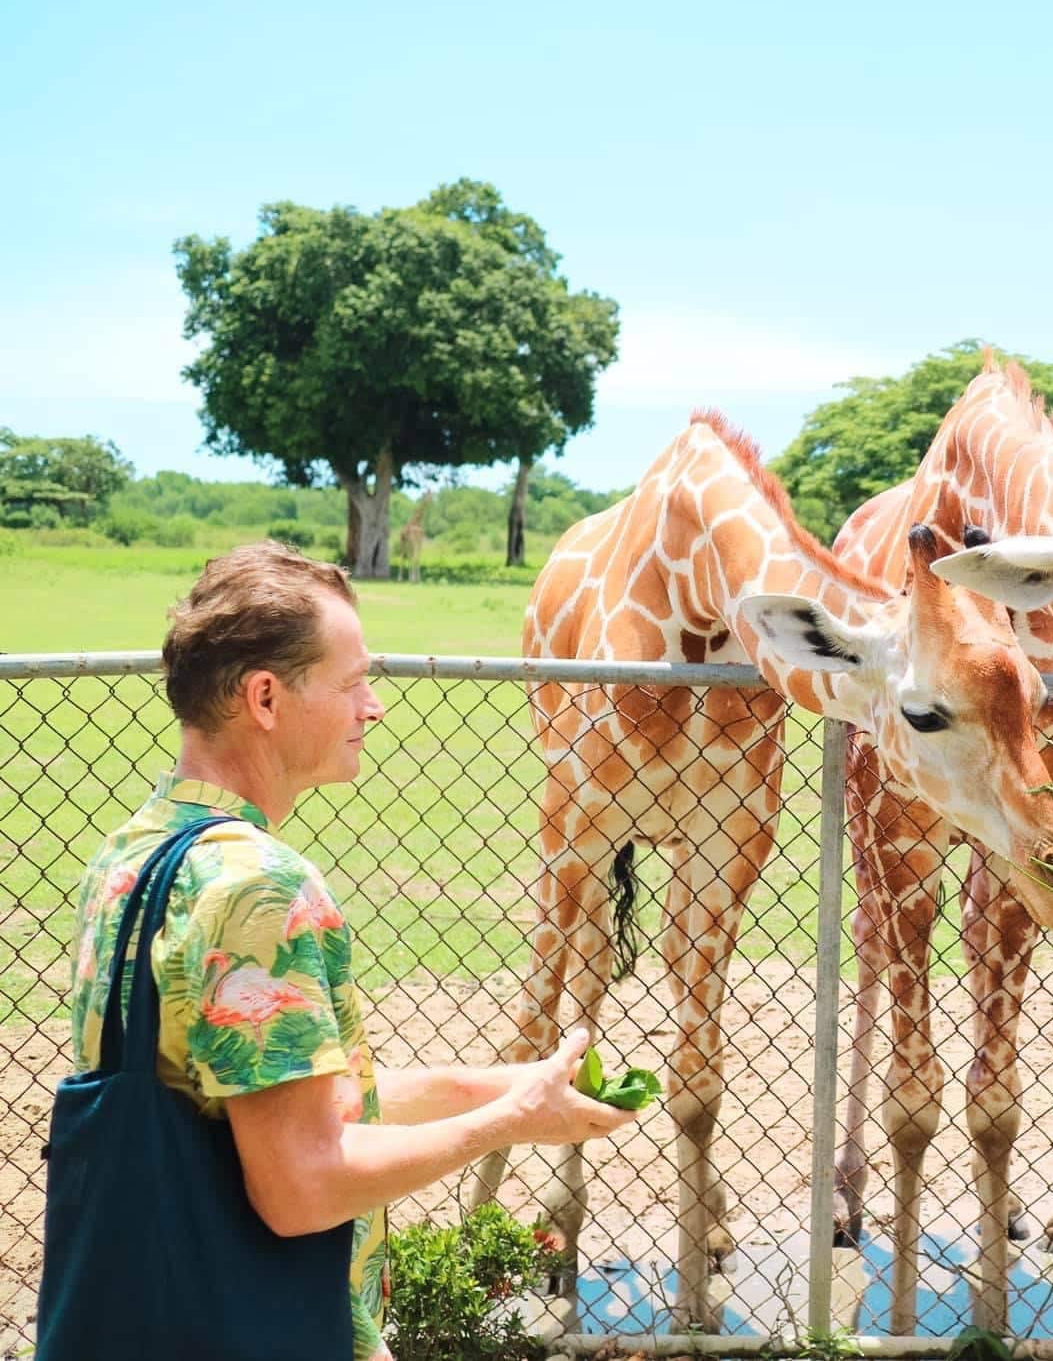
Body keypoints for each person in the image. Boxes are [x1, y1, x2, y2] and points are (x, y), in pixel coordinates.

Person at [62, 542, 642, 1360]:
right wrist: (507, 1123)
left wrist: (510, 1086)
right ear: (265, 697)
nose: (372, 707)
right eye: (352, 681)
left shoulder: (135, 854)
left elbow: (264, 1093)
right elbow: (300, 1186)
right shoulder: (260, 887)